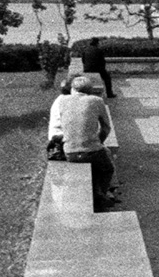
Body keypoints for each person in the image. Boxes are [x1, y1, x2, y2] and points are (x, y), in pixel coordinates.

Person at [50, 74, 118, 208]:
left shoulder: (62, 100)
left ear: (73, 89)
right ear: (90, 90)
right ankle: (100, 195)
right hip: (92, 151)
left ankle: (97, 196)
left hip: (69, 151)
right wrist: (99, 141)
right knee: (107, 169)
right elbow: (106, 127)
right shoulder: (96, 100)